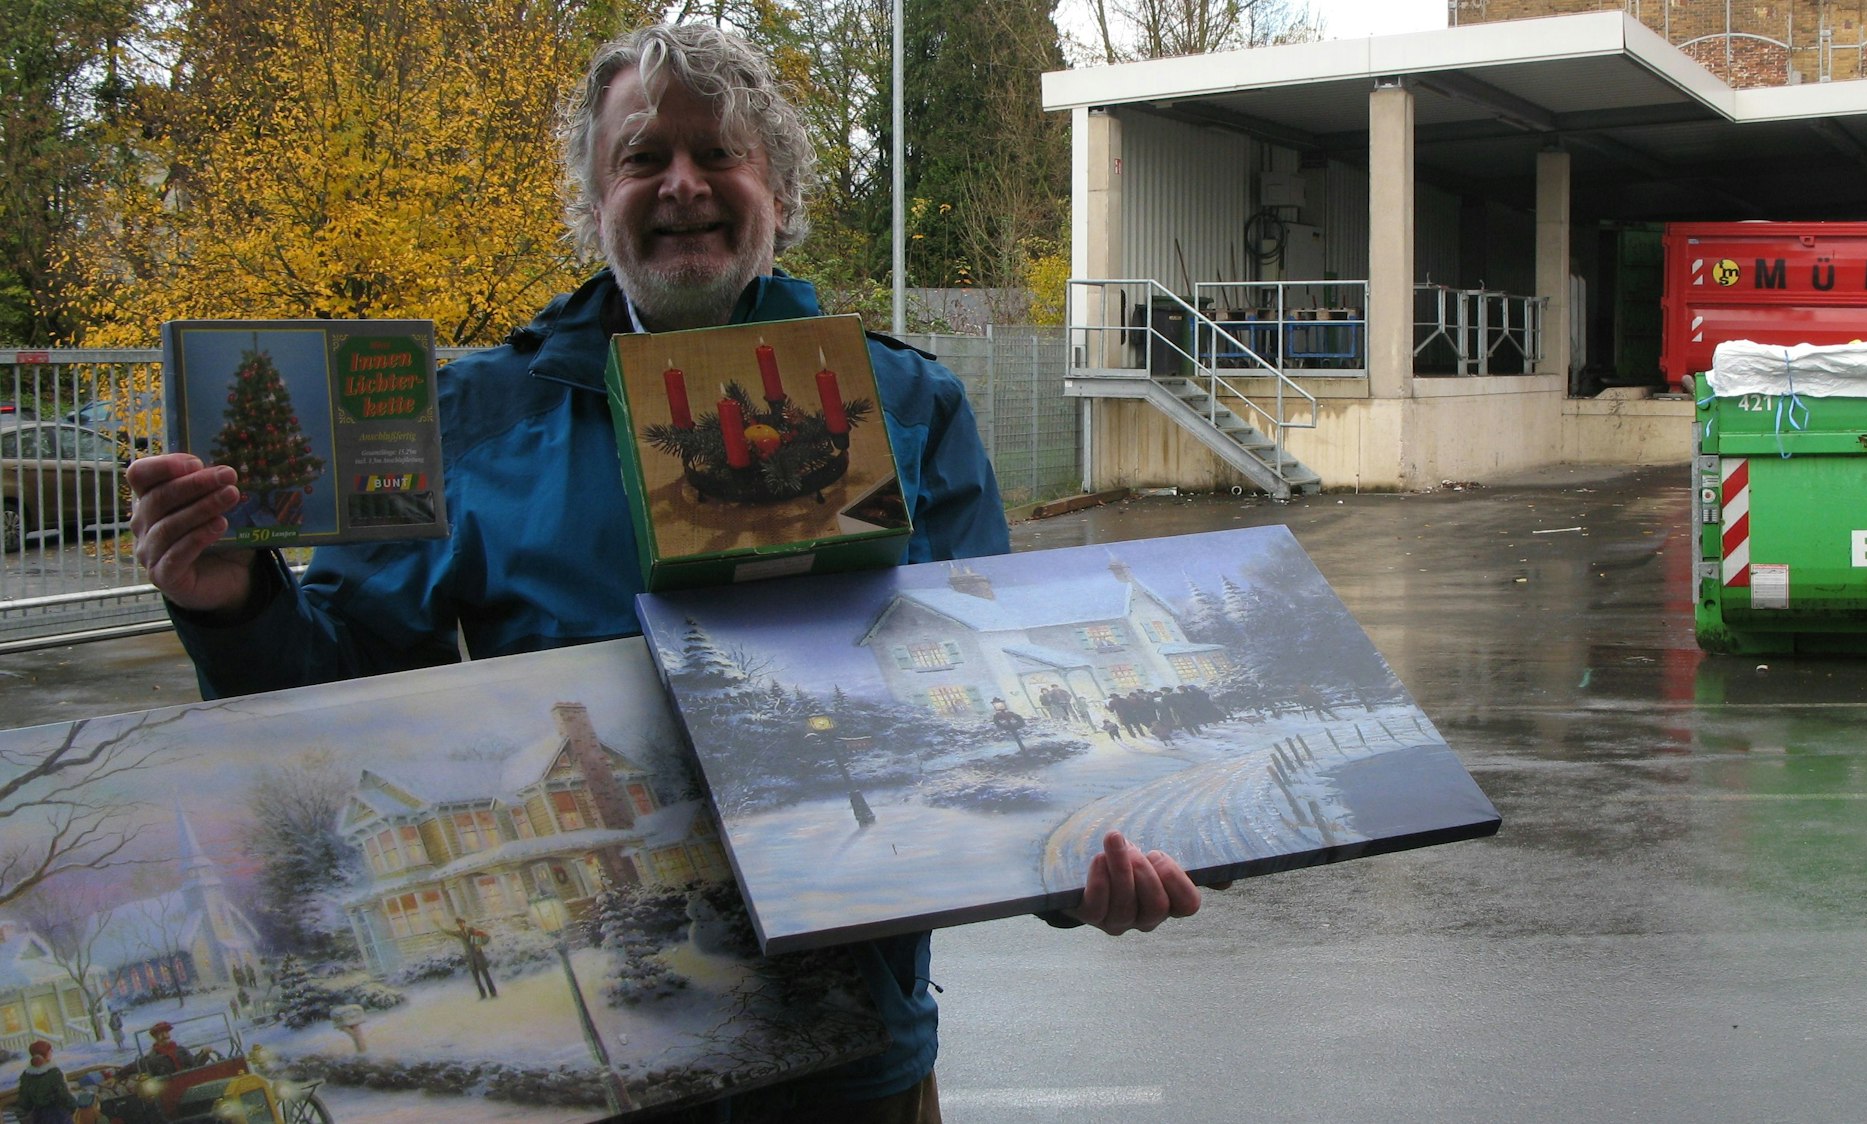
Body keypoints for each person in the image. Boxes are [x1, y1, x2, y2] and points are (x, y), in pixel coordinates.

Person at [127, 21, 1204, 1122]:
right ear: (593, 202)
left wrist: (1083, 862)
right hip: (595, 1082)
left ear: (777, 191)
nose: (681, 182)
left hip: (847, 1065)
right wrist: (233, 600)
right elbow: (338, 696)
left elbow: (983, 700)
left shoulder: (908, 405)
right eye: (642, 158)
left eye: (717, 153)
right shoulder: (471, 417)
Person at [14, 1041, 74, 1124]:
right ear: (46, 1054)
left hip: (38, 1117)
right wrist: (75, 1106)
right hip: (58, 1116)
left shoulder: (26, 1075)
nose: (52, 1053)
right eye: (50, 1051)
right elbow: (63, 1096)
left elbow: (24, 1102)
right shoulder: (54, 1073)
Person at [452, 917, 499, 1000]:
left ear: (464, 922)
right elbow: (448, 932)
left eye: (461, 922)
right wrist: (438, 926)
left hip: (479, 958)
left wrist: (480, 944)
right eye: (458, 923)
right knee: (477, 980)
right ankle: (483, 995)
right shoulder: (459, 933)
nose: (460, 924)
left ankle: (493, 993)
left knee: (486, 976)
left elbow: (486, 937)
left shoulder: (472, 930)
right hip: (471, 960)